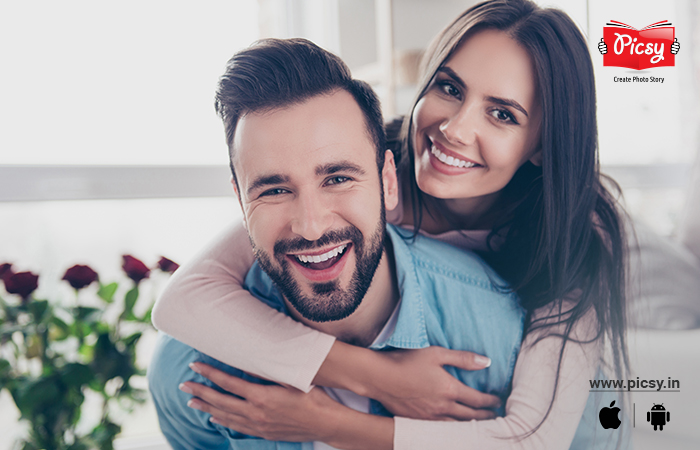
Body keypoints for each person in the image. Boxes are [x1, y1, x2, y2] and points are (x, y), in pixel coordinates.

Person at [151, 0, 630, 448]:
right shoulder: (366, 169)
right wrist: (372, 375)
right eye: (449, 88)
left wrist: (325, 422)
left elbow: (534, 437)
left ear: (544, 145)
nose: (456, 129)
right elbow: (185, 300)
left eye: (502, 114)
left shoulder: (575, 234)